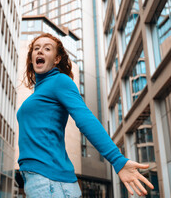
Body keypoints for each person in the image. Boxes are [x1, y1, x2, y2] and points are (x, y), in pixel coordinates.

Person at [17, 33, 154, 197]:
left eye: (47, 49)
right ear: (31, 57)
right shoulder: (40, 90)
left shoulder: (60, 81)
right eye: (36, 48)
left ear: (57, 59)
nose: (40, 51)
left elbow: (86, 119)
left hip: (51, 181)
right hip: (40, 179)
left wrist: (117, 160)